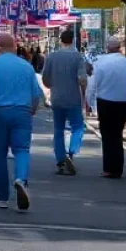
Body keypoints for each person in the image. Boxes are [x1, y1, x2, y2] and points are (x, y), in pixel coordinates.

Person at [0, 32, 44, 211]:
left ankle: (2, 197)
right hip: (23, 112)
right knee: (22, 149)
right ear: (15, 46)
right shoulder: (26, 67)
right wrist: (32, 110)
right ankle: (21, 179)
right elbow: (36, 94)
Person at [85, 37, 126, 178]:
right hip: (124, 103)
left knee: (108, 136)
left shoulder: (100, 63)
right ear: (120, 47)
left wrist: (89, 104)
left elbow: (92, 85)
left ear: (108, 47)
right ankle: (118, 167)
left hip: (105, 102)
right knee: (117, 134)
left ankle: (109, 168)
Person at [42, 29, 88, 176]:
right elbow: (82, 78)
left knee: (58, 130)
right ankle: (72, 151)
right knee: (78, 127)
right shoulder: (77, 57)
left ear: (60, 41)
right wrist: (84, 93)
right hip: (73, 98)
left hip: (57, 98)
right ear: (73, 41)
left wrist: (52, 86)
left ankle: (60, 160)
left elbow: (45, 78)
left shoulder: (51, 57)